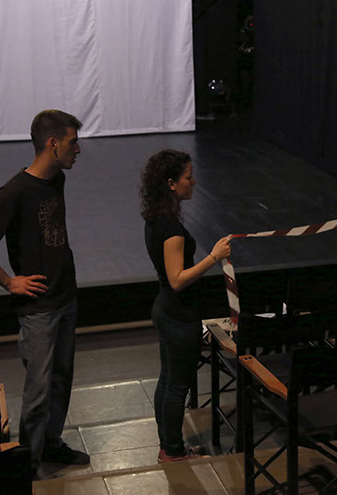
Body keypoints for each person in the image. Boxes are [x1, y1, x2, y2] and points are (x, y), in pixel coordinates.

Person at [0, 109, 89, 477]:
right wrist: (8, 281)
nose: (78, 149)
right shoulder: (15, 191)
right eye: (73, 142)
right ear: (53, 144)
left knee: (61, 380)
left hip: (65, 298)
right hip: (39, 309)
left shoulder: (56, 179)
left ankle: (50, 444)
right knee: (38, 390)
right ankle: (26, 466)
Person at [140, 149, 232, 462]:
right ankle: (173, 451)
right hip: (179, 317)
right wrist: (214, 257)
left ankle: (169, 446)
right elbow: (177, 279)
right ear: (171, 183)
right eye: (188, 177)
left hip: (167, 311)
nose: (193, 182)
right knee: (177, 386)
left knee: (167, 381)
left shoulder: (157, 218)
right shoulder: (172, 230)